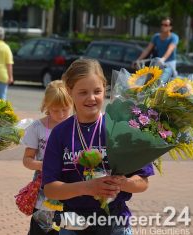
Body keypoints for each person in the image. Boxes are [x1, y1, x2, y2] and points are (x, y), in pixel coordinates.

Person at [42, 59, 154, 235]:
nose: (91, 98)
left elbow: (143, 183)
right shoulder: (60, 133)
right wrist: (87, 187)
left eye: (97, 91)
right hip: (73, 224)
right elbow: (50, 189)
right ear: (70, 91)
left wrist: (123, 183)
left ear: (105, 89)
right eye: (83, 92)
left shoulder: (120, 128)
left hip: (115, 224)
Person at [22, 80, 72, 235]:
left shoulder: (75, 126)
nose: (61, 115)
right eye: (56, 110)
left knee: (64, 229)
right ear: (47, 106)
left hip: (70, 191)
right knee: (40, 230)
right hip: (43, 194)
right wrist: (44, 166)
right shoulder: (37, 127)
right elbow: (27, 160)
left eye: (65, 109)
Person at [136, 17, 179, 83]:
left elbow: (170, 50)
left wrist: (163, 59)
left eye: (166, 25)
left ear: (170, 27)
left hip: (169, 63)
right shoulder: (156, 37)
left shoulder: (174, 37)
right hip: (159, 62)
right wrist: (139, 60)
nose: (163, 26)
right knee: (149, 80)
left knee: (162, 80)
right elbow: (147, 50)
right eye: (162, 24)